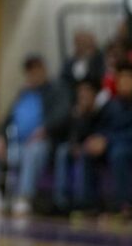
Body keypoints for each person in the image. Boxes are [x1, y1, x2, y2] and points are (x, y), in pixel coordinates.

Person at [0, 55, 69, 216]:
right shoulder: (23, 94)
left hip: (39, 143)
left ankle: (24, 197)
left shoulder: (56, 91)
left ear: (43, 70)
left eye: (36, 70)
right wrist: (0, 137)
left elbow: (63, 115)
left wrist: (45, 129)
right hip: (14, 143)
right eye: (29, 71)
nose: (33, 74)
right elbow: (7, 119)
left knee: (35, 149)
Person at [81, 61, 132, 217]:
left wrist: (108, 140)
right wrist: (97, 139)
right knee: (89, 150)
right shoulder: (113, 104)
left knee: (119, 153)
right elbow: (103, 128)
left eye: (128, 78)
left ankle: (122, 206)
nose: (123, 82)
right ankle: (89, 204)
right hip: (118, 145)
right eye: (120, 78)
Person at [53, 79, 105, 213]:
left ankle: (83, 202)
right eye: (81, 91)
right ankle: (61, 201)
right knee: (63, 151)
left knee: (84, 152)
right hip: (80, 147)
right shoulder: (76, 112)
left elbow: (100, 133)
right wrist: (79, 117)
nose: (84, 94)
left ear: (95, 93)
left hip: (99, 149)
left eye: (87, 91)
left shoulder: (102, 111)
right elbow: (70, 134)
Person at [60, 30, 105, 96]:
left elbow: (100, 76)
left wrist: (89, 60)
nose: (82, 46)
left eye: (85, 43)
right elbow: (64, 80)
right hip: (75, 95)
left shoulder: (100, 58)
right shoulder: (69, 63)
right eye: (79, 43)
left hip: (97, 92)